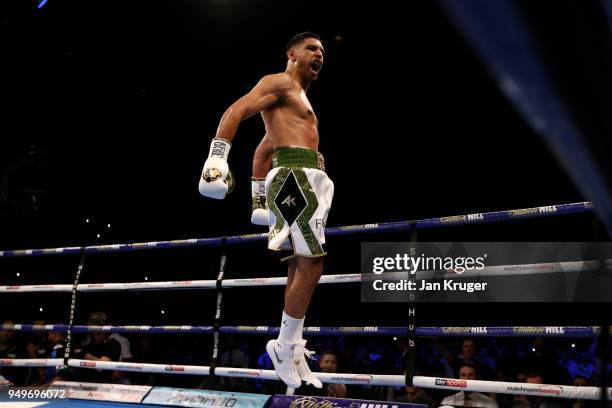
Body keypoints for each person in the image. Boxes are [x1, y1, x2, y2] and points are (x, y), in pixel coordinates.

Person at [199, 32, 332, 390]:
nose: (320, 54)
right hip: (294, 176)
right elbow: (235, 110)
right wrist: (216, 159)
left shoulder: (295, 101)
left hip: (303, 176)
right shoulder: (279, 83)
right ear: (292, 52)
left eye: (323, 51)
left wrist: (258, 200)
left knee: (298, 264)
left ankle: (293, 346)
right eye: (312, 48)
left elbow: (262, 151)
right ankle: (283, 344)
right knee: (312, 262)